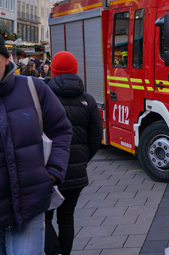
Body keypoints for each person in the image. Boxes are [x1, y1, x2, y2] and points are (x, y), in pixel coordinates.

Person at [0, 31, 72, 255]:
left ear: (7, 58)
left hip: (27, 209)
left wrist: (54, 172)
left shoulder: (34, 89)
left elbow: (61, 130)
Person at [45, 52, 103, 255]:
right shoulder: (88, 99)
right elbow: (96, 138)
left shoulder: (43, 97)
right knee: (67, 218)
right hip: (76, 174)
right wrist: (82, 160)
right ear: (75, 71)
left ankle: (54, 252)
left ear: (53, 71)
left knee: (43, 217)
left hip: (49, 171)